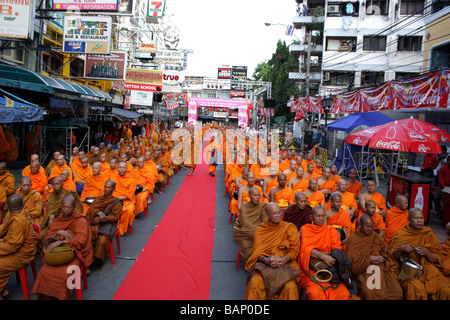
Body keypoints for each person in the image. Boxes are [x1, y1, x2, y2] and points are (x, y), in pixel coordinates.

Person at [32, 195, 93, 300]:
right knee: (44, 272)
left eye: (69, 207)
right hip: (57, 254)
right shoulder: (57, 221)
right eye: (64, 207)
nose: (66, 210)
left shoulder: (80, 221)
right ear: (61, 206)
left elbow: (80, 242)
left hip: (75, 254)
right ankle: (45, 296)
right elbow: (47, 240)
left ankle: (62, 296)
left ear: (74, 207)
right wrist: (58, 233)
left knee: (65, 274)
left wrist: (61, 242)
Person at [388, 208, 450, 300]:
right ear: (409, 220)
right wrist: (401, 249)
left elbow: (437, 258)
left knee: (445, 290)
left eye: (421, 218)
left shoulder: (428, 234)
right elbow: (392, 257)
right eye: (416, 218)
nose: (419, 221)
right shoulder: (401, 235)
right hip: (409, 269)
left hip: (428, 269)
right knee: (414, 289)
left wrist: (427, 254)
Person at [244, 202, 301, 300]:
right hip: (265, 266)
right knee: (255, 283)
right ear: (267, 215)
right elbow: (257, 252)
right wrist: (266, 260)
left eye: (280, 212)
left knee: (290, 288)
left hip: (285, 265)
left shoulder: (289, 227)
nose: (279, 216)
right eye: (275, 213)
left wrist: (283, 260)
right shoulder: (261, 230)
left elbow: (294, 250)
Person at [298, 206, 351, 300]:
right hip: (311, 271)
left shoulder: (330, 231)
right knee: (315, 294)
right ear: (311, 217)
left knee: (344, 294)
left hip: (331, 268)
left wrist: (329, 262)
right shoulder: (306, 229)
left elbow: (337, 250)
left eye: (323, 216)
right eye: (318, 216)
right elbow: (306, 249)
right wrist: (323, 257)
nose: (321, 218)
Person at [346, 214, 403, 300]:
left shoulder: (376, 236)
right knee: (369, 293)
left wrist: (382, 258)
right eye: (367, 226)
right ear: (360, 226)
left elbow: (385, 251)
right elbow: (352, 263)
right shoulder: (353, 238)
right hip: (364, 270)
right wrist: (369, 259)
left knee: (397, 292)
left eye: (372, 227)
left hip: (381, 269)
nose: (370, 229)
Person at [0, 194, 38, 300]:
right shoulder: (22, 214)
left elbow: (12, 246)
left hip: (23, 255)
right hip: (23, 249)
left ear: (7, 206)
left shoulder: (17, 221)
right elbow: (5, 228)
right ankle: (2, 290)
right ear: (22, 205)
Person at [86, 180, 123, 266]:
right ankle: (86, 256)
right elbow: (90, 210)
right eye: (105, 187)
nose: (106, 189)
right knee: (85, 234)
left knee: (102, 240)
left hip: (106, 226)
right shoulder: (99, 198)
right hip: (94, 224)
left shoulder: (117, 202)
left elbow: (116, 217)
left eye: (109, 187)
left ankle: (95, 259)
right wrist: (98, 213)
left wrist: (105, 218)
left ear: (114, 189)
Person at [41, 177, 83, 246]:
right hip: (57, 220)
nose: (55, 186)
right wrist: (51, 219)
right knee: (43, 235)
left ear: (62, 184)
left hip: (70, 220)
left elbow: (78, 209)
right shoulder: (52, 195)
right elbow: (51, 211)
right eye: (54, 184)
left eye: (57, 184)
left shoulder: (70, 194)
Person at [233, 188, 267, 264]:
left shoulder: (262, 206)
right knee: (246, 245)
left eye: (258, 195)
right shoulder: (244, 207)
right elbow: (245, 223)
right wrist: (255, 231)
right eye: (255, 195)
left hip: (259, 232)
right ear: (249, 196)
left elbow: (264, 221)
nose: (257, 197)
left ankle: (261, 260)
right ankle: (252, 262)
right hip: (246, 234)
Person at [113, 161, 136, 236]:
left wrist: (118, 198)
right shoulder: (114, 178)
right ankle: (113, 228)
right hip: (115, 200)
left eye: (123, 168)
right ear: (117, 169)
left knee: (129, 210)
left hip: (126, 201)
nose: (122, 169)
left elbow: (130, 195)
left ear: (126, 169)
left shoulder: (131, 180)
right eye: (120, 167)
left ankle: (122, 228)